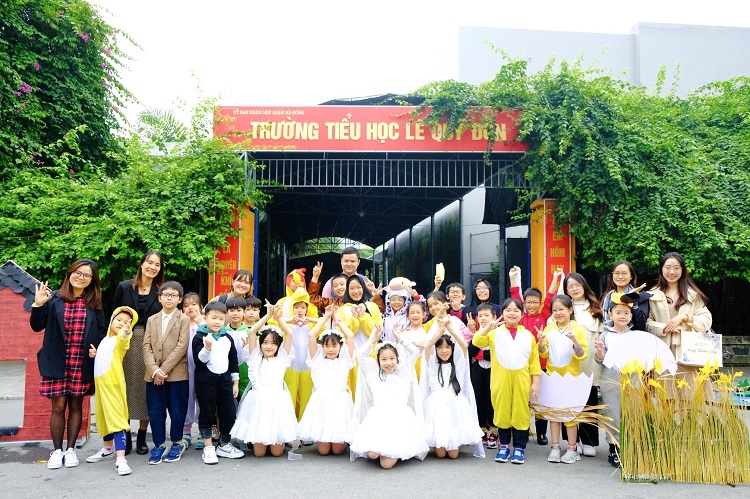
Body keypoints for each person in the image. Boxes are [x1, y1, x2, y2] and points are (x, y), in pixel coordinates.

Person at [30, 259, 107, 470]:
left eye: (87, 275)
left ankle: (71, 449)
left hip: (81, 362)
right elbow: (36, 326)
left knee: (76, 406)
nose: (81, 277)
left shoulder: (94, 303)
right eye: (78, 273)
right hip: (57, 360)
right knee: (58, 407)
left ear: (92, 280)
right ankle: (57, 451)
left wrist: (98, 350)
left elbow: (101, 333)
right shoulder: (54, 298)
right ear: (70, 273)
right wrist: (38, 305)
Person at [349, 325, 429, 469]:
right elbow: (361, 355)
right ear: (378, 361)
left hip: (400, 419)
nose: (388, 363)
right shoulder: (373, 372)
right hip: (379, 418)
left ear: (397, 359)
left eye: (392, 358)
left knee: (386, 464)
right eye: (384, 359)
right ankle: (383, 450)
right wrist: (373, 340)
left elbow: (414, 352)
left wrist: (401, 339)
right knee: (373, 454)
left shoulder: (405, 371)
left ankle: (396, 450)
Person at [473, 298, 540, 464]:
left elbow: (534, 360)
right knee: (502, 411)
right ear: (502, 313)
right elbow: (477, 341)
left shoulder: (528, 335)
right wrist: (488, 327)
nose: (512, 313)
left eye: (516, 310)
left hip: (522, 380)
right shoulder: (494, 333)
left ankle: (519, 448)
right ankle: (503, 446)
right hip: (500, 380)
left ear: (521, 315)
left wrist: (535, 381)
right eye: (508, 310)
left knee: (521, 412)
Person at [113, 251, 164, 455]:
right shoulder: (124, 287)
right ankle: (125, 434)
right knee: (124, 386)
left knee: (146, 388)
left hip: (151, 342)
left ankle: (142, 435)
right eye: (149, 262)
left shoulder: (161, 291)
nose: (152, 267)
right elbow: (114, 314)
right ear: (142, 264)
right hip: (125, 340)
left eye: (157, 264)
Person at [231, 306, 299, 457]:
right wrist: (267, 316)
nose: (269, 346)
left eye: (273, 343)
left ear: (278, 346)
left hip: (277, 402)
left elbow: (289, 333)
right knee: (259, 454)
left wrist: (278, 317)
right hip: (257, 402)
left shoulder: (282, 357)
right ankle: (258, 439)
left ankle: (278, 440)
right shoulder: (255, 356)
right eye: (265, 342)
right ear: (260, 344)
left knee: (276, 453)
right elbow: (253, 331)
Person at [509, 266, 562, 445]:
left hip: (541, 365)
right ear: (524, 304)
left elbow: (550, 297)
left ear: (540, 304)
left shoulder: (545, 315)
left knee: (540, 400)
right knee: (522, 400)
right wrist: (512, 278)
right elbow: (515, 296)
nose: (532, 305)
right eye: (528, 302)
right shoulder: (520, 317)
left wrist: (555, 277)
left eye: (535, 302)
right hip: (522, 366)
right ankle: (522, 430)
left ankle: (541, 433)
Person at [421, 316, 484, 459]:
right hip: (436, 404)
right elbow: (427, 346)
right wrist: (440, 331)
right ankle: (440, 443)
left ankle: (452, 441)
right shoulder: (433, 364)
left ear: (452, 349)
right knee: (441, 454)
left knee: (453, 455)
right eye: (440, 347)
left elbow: (464, 345)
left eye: (447, 347)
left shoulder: (458, 364)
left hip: (455, 404)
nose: (444, 351)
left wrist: (450, 330)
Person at [85, 306, 138, 476]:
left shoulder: (120, 339)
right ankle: (107, 449)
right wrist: (96, 354)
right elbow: (105, 355)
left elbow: (124, 341)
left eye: (127, 322)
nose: (122, 323)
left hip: (113, 384)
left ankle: (121, 459)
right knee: (102, 417)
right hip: (101, 384)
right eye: (119, 320)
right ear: (112, 320)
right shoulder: (105, 340)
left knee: (116, 419)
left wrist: (126, 333)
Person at [297, 305, 355, 456]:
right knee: (323, 451)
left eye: (334, 346)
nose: (330, 349)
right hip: (321, 403)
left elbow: (350, 336)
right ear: (322, 346)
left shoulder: (344, 361)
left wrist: (336, 319)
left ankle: (340, 439)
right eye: (327, 346)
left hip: (340, 404)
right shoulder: (316, 360)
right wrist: (326, 317)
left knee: (337, 451)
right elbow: (311, 336)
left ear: (340, 346)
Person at [143, 281, 191, 465]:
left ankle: (177, 443)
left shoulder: (184, 319)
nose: (169, 298)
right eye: (166, 295)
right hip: (153, 375)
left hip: (177, 374)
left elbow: (181, 346)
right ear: (160, 298)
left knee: (177, 411)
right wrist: (154, 370)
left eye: (174, 295)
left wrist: (163, 370)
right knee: (155, 411)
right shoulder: (152, 319)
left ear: (179, 299)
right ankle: (159, 444)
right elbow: (146, 346)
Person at [537, 295, 588, 464]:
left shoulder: (577, 330)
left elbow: (582, 355)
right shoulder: (549, 329)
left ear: (570, 310)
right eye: (555, 310)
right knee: (554, 415)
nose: (558, 313)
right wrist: (541, 342)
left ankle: (572, 449)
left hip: (571, 379)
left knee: (570, 415)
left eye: (562, 309)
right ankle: (555, 447)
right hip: (552, 378)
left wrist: (574, 340)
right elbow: (544, 354)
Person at [193, 301, 244, 464]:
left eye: (221, 319)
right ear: (205, 318)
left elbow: (233, 361)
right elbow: (199, 361)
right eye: (213, 318)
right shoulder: (199, 337)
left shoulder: (227, 337)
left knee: (228, 412)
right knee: (207, 412)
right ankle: (208, 447)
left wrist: (235, 383)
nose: (217, 322)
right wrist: (207, 347)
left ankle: (224, 444)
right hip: (205, 382)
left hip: (225, 381)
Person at [593, 292, 636, 468]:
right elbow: (600, 360)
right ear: (610, 314)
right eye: (618, 312)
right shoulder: (604, 335)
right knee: (612, 414)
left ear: (631, 316)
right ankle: (614, 448)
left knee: (630, 413)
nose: (622, 316)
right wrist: (599, 350)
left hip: (632, 380)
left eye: (626, 313)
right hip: (610, 380)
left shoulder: (635, 336)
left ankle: (630, 448)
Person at [562, 272, 602, 458]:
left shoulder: (595, 308)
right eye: (570, 286)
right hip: (568, 364)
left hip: (589, 364)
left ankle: (588, 441)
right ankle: (572, 441)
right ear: (566, 290)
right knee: (569, 402)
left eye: (577, 284)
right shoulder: (563, 308)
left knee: (589, 401)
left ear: (584, 285)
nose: (575, 288)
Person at [646, 252, 712, 356]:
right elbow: (646, 322)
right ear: (662, 269)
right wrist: (666, 328)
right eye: (667, 268)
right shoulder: (652, 295)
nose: (672, 272)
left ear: (682, 270)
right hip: (660, 349)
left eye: (676, 268)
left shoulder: (692, 295)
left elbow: (706, 321)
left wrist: (684, 317)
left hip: (688, 350)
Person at [281, 288, 318, 421]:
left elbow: (323, 322)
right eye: (296, 307)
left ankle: (304, 425)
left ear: (307, 308)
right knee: (289, 396)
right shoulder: (287, 325)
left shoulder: (311, 325)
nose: (299, 310)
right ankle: (290, 424)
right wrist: (290, 320)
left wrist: (310, 320)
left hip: (308, 367)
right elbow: (275, 321)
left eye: (303, 307)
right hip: (291, 366)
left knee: (307, 397)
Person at [181, 292, 204, 448]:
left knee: (202, 399)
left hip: (202, 369)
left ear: (201, 307)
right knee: (187, 399)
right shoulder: (180, 325)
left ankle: (203, 431)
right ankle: (186, 431)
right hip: (184, 369)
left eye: (194, 304)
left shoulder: (204, 324)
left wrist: (201, 323)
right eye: (186, 305)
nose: (190, 308)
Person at [600, 260, 650, 330]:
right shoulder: (607, 297)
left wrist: (632, 298)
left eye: (624, 273)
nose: (620, 276)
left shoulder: (640, 296)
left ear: (631, 276)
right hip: (610, 335)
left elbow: (641, 324)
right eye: (617, 273)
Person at [224, 297, 252, 400]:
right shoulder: (223, 331)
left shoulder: (249, 331)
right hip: (227, 369)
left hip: (245, 369)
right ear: (227, 312)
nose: (235, 313)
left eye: (239, 310)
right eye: (232, 310)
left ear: (244, 312)